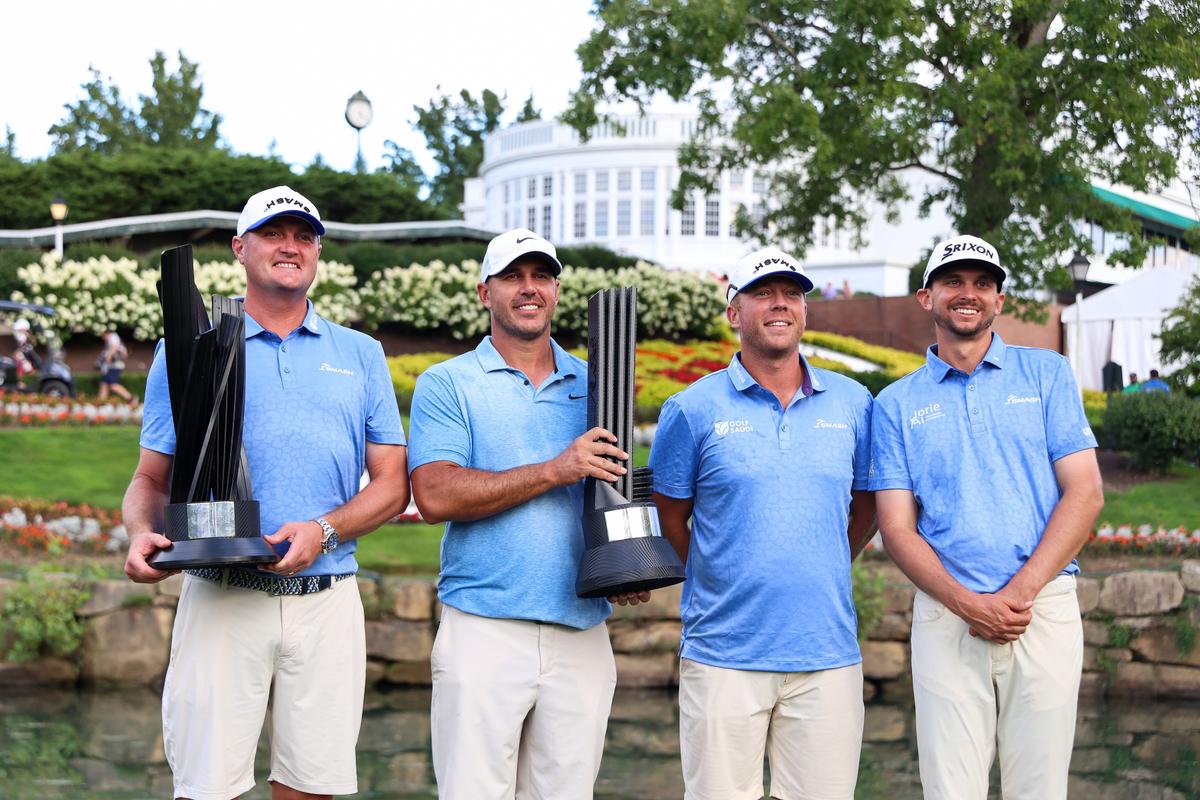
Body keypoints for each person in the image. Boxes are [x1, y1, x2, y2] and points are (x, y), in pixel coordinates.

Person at [122, 185, 409, 800]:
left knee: (311, 788)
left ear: (318, 253)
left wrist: (325, 530)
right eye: (274, 233)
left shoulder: (361, 354)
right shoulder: (188, 349)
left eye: (305, 236)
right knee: (206, 788)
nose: (291, 246)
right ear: (239, 248)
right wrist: (140, 533)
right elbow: (150, 477)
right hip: (224, 593)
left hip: (328, 596)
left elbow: (392, 484)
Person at [408, 227, 646, 800]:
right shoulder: (448, 384)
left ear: (558, 291)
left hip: (581, 633)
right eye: (512, 276)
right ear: (484, 292)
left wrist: (631, 562)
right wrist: (555, 469)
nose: (528, 288)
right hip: (484, 629)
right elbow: (436, 494)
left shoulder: (598, 384)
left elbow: (619, 488)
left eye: (541, 275)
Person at [869, 234, 1104, 800]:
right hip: (948, 614)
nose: (968, 293)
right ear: (927, 297)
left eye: (982, 283)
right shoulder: (895, 405)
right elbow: (897, 527)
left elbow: (1086, 494)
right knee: (950, 790)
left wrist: (1017, 595)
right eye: (954, 281)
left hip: (1040, 609)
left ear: (999, 300)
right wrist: (968, 603)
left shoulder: (1046, 375)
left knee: (1040, 789)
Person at [649, 246, 875, 800]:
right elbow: (669, 514)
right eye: (763, 293)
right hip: (723, 654)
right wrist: (726, 567)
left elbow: (867, 506)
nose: (780, 304)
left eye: (792, 293)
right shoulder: (691, 408)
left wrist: (819, 556)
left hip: (826, 654)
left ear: (805, 309)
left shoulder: (854, 403)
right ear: (734, 312)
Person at [96, 330, 136, 404]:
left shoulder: (113, 337)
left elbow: (115, 347)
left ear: (107, 334)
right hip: (111, 366)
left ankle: (131, 398)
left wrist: (109, 357)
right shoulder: (113, 338)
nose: (103, 338)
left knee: (113, 385)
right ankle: (101, 403)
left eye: (103, 336)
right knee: (104, 384)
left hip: (114, 366)